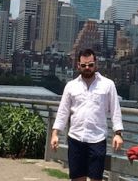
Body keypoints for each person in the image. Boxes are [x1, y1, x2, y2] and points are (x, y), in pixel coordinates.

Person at [51, 49, 124, 181]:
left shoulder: (108, 85)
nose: (87, 68)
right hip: (75, 138)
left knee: (96, 178)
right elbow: (63, 111)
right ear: (78, 65)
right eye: (84, 65)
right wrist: (55, 134)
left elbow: (115, 110)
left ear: (96, 64)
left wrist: (118, 134)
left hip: (97, 139)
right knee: (77, 178)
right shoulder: (71, 86)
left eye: (90, 65)